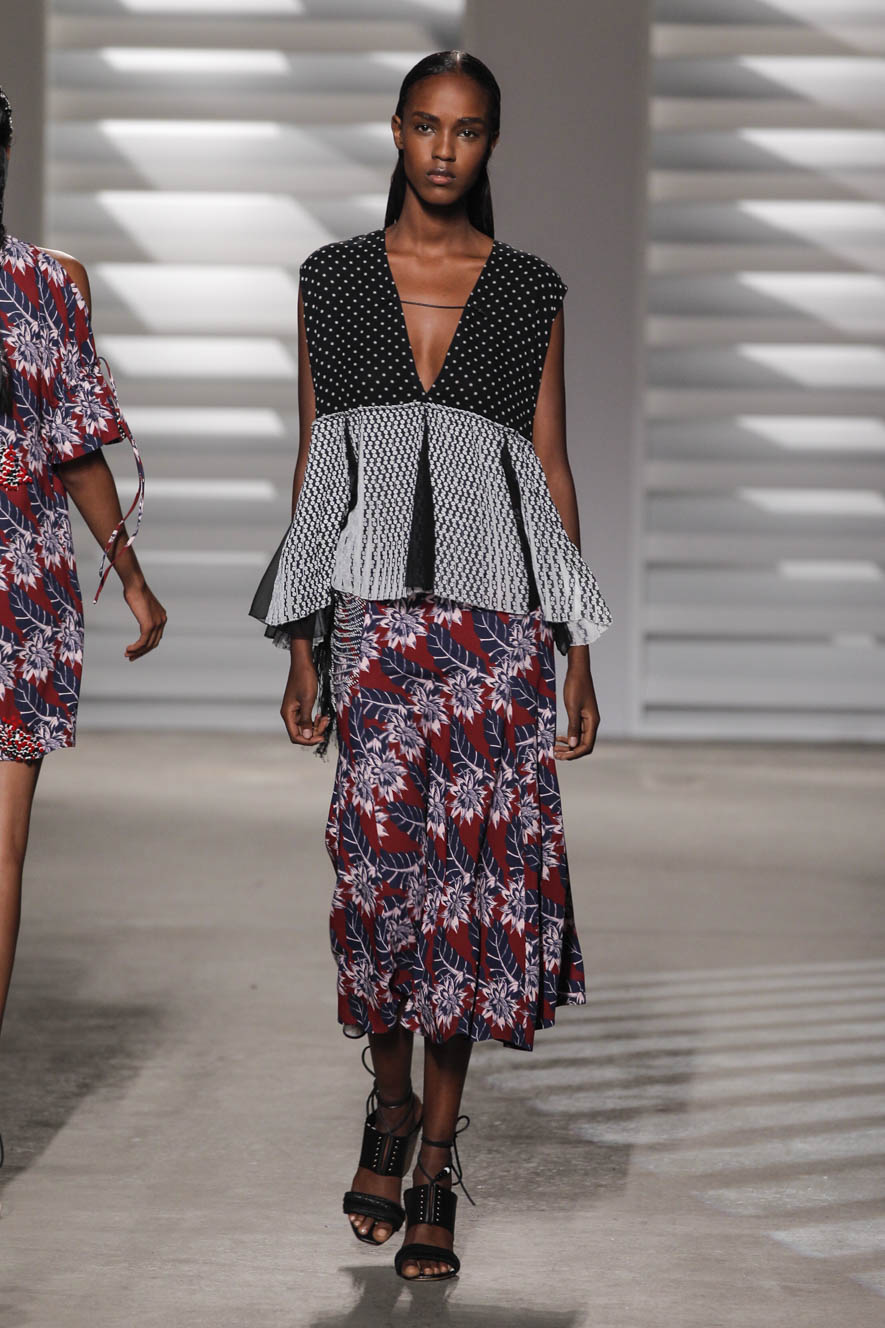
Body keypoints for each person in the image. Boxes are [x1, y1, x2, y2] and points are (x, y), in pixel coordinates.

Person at [250, 50, 610, 1281]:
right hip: (377, 631)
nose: (445, 149)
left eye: (468, 131)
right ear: (396, 131)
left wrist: (573, 645)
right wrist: (303, 637)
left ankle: (436, 1160)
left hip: (496, 633)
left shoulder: (528, 290)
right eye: (425, 125)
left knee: (467, 894)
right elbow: (319, 458)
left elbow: (550, 468)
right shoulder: (336, 279)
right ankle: (390, 1101)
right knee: (377, 881)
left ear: (491, 143)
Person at [0, 87, 167, 1136]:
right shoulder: (49, 282)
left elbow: (74, 451)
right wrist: (131, 575)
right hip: (18, 587)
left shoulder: (50, 282)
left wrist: (132, 575)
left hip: (19, 592)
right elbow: (74, 449)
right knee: (1, 850)